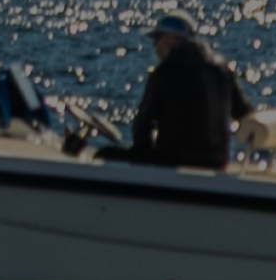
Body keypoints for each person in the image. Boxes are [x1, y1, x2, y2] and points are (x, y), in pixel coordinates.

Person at [101, 12, 255, 169]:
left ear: (172, 39)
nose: (154, 45)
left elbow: (143, 124)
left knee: (104, 155)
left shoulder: (166, 72)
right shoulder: (222, 70)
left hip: (173, 161)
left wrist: (140, 154)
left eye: (157, 38)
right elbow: (244, 114)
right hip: (217, 162)